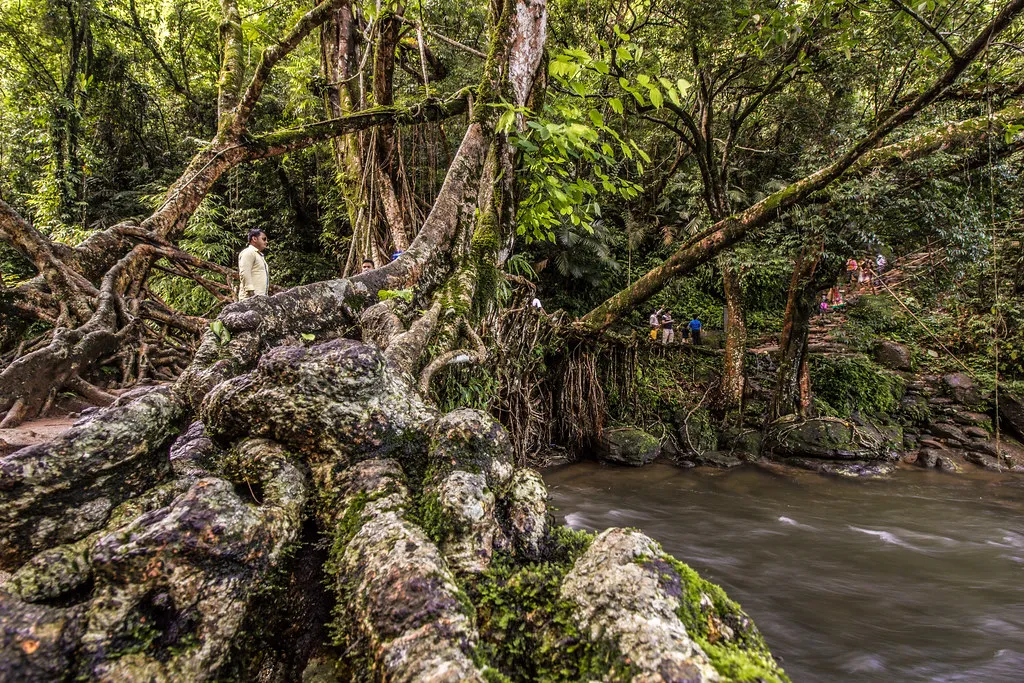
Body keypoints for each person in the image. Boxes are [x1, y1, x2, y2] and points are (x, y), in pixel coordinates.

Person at [238, 228, 269, 300]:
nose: (266, 242)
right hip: (249, 299)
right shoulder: (248, 252)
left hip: (259, 299)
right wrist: (251, 293)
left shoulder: (258, 255)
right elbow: (245, 273)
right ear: (254, 239)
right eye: (264, 239)